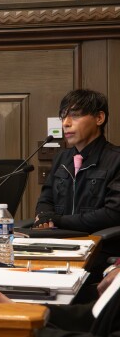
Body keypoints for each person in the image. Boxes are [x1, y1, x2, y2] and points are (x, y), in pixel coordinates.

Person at [34, 89, 120, 233]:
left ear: (99, 118)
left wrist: (58, 221)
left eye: (75, 116)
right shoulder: (61, 158)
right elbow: (45, 200)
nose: (66, 123)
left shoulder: (116, 159)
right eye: (63, 116)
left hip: (99, 246)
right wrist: (44, 216)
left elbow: (113, 214)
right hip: (58, 242)